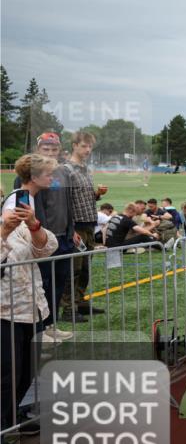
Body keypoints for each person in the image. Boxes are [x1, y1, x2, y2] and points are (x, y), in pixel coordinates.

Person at [1, 159, 59, 444]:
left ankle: (11, 419)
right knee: (7, 371)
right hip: (5, 305)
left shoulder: (24, 209)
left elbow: (45, 248)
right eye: (49, 173)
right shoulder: (11, 209)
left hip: (27, 303)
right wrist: (3, 232)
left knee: (24, 368)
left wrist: (34, 225)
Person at [13, 133, 77, 338]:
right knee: (41, 284)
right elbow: (27, 209)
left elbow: (69, 203)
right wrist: (40, 234)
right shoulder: (27, 175)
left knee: (58, 283)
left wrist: (71, 229)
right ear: (38, 149)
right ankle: (38, 329)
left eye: (54, 149)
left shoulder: (64, 173)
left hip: (63, 238)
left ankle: (50, 325)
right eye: (46, 149)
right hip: (43, 241)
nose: (50, 152)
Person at [62, 131, 107, 317]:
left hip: (89, 223)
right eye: (84, 146)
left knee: (86, 268)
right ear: (74, 146)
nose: (87, 150)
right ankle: (68, 307)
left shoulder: (86, 169)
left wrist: (97, 195)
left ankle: (79, 302)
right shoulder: (66, 170)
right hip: (77, 225)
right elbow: (64, 202)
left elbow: (83, 198)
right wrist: (70, 229)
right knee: (74, 268)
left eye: (90, 146)